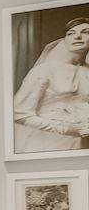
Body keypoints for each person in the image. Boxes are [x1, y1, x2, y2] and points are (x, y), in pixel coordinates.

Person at [13, 19, 89, 153]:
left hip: (81, 145)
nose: (77, 36)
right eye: (70, 33)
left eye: (85, 32)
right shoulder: (45, 70)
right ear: (64, 40)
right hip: (45, 143)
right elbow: (19, 114)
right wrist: (66, 129)